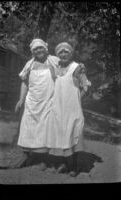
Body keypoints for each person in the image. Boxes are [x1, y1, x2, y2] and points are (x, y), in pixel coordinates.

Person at [46, 42, 91, 176]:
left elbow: (86, 87)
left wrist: (77, 100)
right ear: (57, 55)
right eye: (60, 52)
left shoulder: (77, 68)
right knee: (63, 137)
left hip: (72, 109)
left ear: (71, 54)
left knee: (73, 137)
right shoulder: (57, 68)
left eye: (66, 52)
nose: (63, 54)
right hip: (59, 109)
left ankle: (74, 167)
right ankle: (66, 164)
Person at [14, 38, 59, 169]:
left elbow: (67, 70)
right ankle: (26, 157)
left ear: (45, 48)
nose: (38, 50)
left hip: (48, 102)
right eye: (35, 49)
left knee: (45, 130)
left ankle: (43, 160)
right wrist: (21, 100)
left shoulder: (54, 61)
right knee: (28, 128)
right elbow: (24, 82)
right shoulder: (30, 64)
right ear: (32, 52)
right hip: (31, 102)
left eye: (40, 48)